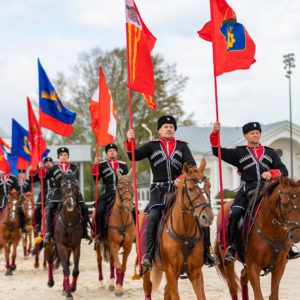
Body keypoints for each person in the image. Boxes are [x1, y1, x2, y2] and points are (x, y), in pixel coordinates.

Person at [127, 115, 219, 272]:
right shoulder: (151, 146)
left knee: (200, 214)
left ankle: (207, 253)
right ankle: (148, 255)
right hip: (159, 191)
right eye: (165, 127)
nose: (169, 129)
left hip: (180, 190)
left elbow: (192, 167)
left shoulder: (182, 146)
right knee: (154, 216)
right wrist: (130, 141)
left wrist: (181, 178)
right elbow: (132, 156)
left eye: (171, 127)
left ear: (174, 130)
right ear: (159, 130)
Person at [210, 121, 299, 263]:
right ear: (245, 136)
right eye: (252, 133)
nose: (256, 135)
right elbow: (216, 151)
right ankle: (231, 247)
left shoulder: (270, 152)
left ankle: (288, 246)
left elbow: (284, 171)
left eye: (258, 133)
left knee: (283, 210)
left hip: (268, 189)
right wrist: (215, 133)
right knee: (235, 213)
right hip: (247, 189)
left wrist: (272, 173)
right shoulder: (239, 152)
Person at [43, 147, 92, 243]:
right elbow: (44, 177)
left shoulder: (74, 167)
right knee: (50, 209)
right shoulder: (54, 168)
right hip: (58, 193)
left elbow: (76, 180)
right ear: (58, 157)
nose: (63, 157)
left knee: (84, 207)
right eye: (61, 155)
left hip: (72, 192)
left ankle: (85, 231)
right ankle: (48, 232)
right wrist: (40, 169)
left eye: (65, 155)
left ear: (68, 156)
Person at [92, 143, 129, 244]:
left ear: (116, 152)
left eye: (113, 150)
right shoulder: (102, 165)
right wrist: (95, 166)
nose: (112, 152)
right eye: (109, 151)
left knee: (132, 210)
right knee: (100, 211)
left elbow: (127, 179)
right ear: (106, 153)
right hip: (106, 194)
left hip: (121, 194)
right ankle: (99, 235)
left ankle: (132, 233)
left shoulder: (123, 164)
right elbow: (95, 178)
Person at [30, 157, 55, 235]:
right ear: (44, 164)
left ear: (52, 164)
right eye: (46, 163)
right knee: (37, 209)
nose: (48, 164)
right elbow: (32, 180)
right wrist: (32, 171)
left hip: (55, 194)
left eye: (50, 162)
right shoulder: (41, 172)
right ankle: (37, 225)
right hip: (44, 194)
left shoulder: (55, 171)